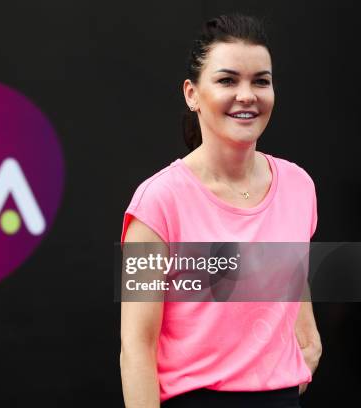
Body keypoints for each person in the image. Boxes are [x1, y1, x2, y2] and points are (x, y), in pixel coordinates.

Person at [119, 14, 322, 407]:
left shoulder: (299, 186)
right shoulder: (157, 201)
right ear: (192, 94)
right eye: (228, 80)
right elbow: (136, 349)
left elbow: (291, 281)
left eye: (260, 81)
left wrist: (307, 345)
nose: (247, 95)